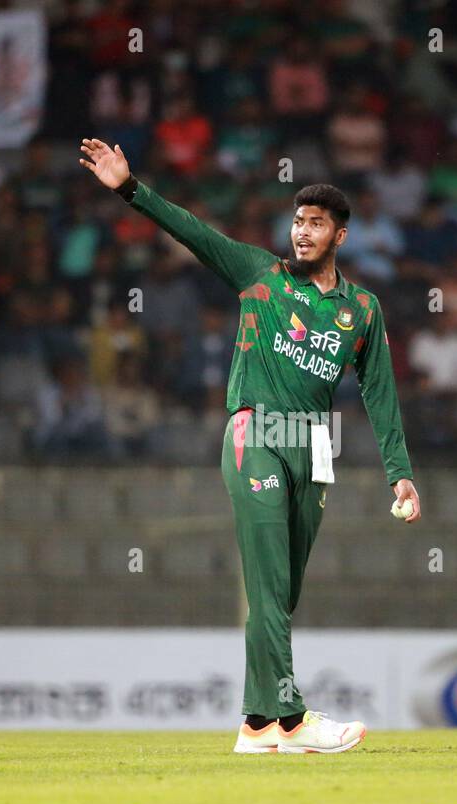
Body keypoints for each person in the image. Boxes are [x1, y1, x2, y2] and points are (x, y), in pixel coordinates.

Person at [80, 136, 421, 755]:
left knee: (279, 593)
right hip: (256, 433)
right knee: (267, 588)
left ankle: (257, 724)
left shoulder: (363, 311)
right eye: (297, 221)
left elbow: (381, 394)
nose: (302, 232)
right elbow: (191, 230)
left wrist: (399, 472)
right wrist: (131, 188)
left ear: (340, 235)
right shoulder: (258, 275)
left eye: (316, 224)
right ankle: (291, 720)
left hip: (313, 446)